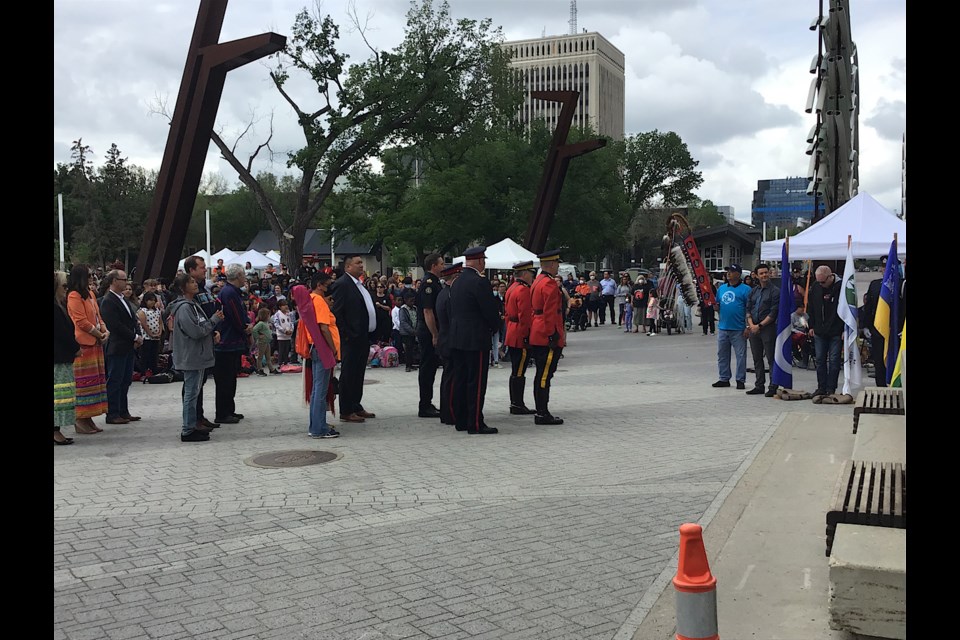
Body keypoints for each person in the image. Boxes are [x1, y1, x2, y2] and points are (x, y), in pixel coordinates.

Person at [449, 246, 501, 434]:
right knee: (476, 381)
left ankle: (461, 420)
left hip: (457, 336)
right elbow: (489, 311)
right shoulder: (479, 282)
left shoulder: (456, 281)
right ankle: (475, 423)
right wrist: (494, 328)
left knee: (461, 379)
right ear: (480, 261)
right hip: (475, 337)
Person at [167, 273, 224, 442]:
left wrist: (210, 329)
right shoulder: (185, 307)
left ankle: (191, 426)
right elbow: (195, 331)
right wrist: (213, 321)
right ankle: (187, 429)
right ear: (183, 288)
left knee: (194, 391)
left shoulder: (192, 305)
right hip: (192, 355)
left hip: (196, 354)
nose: (195, 284)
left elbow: (200, 327)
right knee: (191, 393)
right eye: (191, 282)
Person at [329, 254, 377, 424]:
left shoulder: (359, 285)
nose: (361, 265)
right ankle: (346, 409)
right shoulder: (342, 284)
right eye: (358, 263)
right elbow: (337, 312)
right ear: (348, 267)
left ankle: (356, 405)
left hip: (363, 336)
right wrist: (347, 333)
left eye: (362, 263)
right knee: (349, 374)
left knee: (358, 373)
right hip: (351, 338)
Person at [292, 275, 340, 439]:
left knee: (316, 389)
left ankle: (316, 425)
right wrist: (333, 348)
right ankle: (319, 428)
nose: (329, 289)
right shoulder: (318, 301)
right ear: (319, 286)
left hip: (315, 348)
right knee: (320, 389)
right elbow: (324, 327)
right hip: (322, 348)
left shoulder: (310, 300)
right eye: (327, 286)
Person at [66, 266, 108, 433]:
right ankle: (80, 418)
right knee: (84, 384)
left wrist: (105, 331)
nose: (92, 278)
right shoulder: (74, 296)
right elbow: (81, 321)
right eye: (89, 275)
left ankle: (88, 417)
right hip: (84, 344)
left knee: (94, 382)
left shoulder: (90, 294)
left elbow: (98, 316)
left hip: (95, 343)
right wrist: (98, 334)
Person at [100, 270, 142, 424]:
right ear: (113, 281)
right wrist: (134, 336)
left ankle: (123, 411)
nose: (126, 282)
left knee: (125, 380)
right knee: (115, 380)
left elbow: (132, 320)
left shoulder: (122, 299)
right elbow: (115, 325)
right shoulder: (108, 300)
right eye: (123, 279)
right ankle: (112, 413)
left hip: (128, 346)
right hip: (117, 346)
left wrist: (137, 335)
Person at [183, 255, 220, 431]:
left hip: (207, 337)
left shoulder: (203, 289)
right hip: (194, 344)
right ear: (191, 270)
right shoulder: (188, 296)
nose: (205, 269)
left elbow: (209, 311)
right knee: (192, 385)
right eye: (202, 267)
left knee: (201, 381)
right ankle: (191, 421)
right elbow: (195, 320)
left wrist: (214, 329)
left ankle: (199, 415)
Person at [529, 250, 565, 425]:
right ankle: (542, 412)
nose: (558, 266)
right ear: (551, 264)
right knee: (545, 375)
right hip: (546, 332)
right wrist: (553, 335)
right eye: (557, 263)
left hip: (537, 329)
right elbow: (550, 312)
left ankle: (541, 409)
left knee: (541, 374)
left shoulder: (538, 281)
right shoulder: (549, 284)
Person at [213, 264, 252, 424]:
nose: (245, 278)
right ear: (237, 277)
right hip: (227, 342)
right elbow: (236, 315)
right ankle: (223, 412)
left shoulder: (231, 292)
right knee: (225, 379)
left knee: (231, 378)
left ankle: (229, 409)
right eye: (243, 275)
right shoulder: (229, 293)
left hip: (231, 341)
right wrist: (245, 327)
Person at [503, 260, 537, 415]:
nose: (532, 277)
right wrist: (527, 336)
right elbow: (525, 317)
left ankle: (515, 402)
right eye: (531, 274)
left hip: (512, 330)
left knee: (516, 369)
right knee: (519, 370)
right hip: (520, 333)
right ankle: (517, 403)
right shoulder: (523, 290)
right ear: (524, 274)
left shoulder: (512, 288)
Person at [712, 264, 751, 390]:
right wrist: (716, 308)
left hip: (739, 328)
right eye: (727, 271)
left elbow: (749, 309)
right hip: (723, 327)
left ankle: (740, 379)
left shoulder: (746, 290)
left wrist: (747, 326)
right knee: (722, 354)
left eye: (731, 271)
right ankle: (724, 378)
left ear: (738, 274)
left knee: (740, 355)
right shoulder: (721, 289)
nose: (728, 273)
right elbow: (719, 305)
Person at [807, 265, 844, 399]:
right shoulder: (816, 287)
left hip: (835, 331)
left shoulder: (841, 287)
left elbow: (847, 309)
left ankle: (831, 388)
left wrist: (845, 329)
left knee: (834, 361)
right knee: (820, 360)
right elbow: (811, 308)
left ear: (831, 276)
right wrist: (811, 326)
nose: (821, 285)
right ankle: (821, 387)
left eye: (823, 282)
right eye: (818, 282)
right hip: (819, 331)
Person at [744, 263, 781, 397]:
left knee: (771, 358)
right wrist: (751, 325)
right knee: (757, 358)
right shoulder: (753, 291)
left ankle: (773, 385)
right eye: (762, 273)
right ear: (756, 275)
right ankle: (759, 385)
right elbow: (748, 309)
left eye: (766, 272)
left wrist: (759, 326)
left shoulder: (775, 291)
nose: (764, 275)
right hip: (753, 328)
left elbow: (773, 312)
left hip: (768, 328)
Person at [416, 253, 444, 418]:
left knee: (431, 367)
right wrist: (434, 334)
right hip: (427, 330)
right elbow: (428, 311)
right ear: (433, 265)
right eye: (441, 264)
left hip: (431, 329)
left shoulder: (434, 282)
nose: (443, 266)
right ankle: (424, 405)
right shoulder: (428, 284)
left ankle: (428, 402)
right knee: (427, 368)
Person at [54, 271, 80, 445]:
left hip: (62, 356)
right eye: (64, 286)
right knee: (58, 395)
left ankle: (57, 429)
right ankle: (55, 430)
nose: (66, 289)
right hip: (58, 357)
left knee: (62, 394)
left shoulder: (58, 305)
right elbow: (62, 333)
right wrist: (75, 347)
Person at [435, 263, 462, 425]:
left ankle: (447, 412)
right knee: (451, 379)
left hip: (446, 339)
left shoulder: (444, 293)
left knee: (448, 378)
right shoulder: (450, 295)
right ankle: (450, 412)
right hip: (450, 340)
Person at [136, 292, 163, 376]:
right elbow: (144, 324)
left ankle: (154, 369)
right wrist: (150, 334)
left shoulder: (157, 310)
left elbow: (160, 322)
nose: (152, 302)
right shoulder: (142, 311)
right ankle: (144, 371)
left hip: (156, 337)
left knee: (154, 354)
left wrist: (160, 332)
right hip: (146, 337)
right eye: (150, 300)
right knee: (145, 354)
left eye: (153, 300)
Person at [252, 307, 279, 376]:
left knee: (268, 357)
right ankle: (259, 369)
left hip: (267, 342)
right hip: (262, 342)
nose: (269, 317)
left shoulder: (266, 323)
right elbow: (254, 330)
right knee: (260, 356)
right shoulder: (261, 323)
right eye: (268, 315)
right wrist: (258, 336)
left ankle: (271, 369)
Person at [398, 290, 419, 373]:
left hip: (414, 331)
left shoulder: (415, 308)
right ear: (406, 301)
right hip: (406, 333)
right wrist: (411, 330)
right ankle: (408, 365)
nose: (412, 302)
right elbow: (403, 322)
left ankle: (412, 363)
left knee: (413, 348)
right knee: (408, 349)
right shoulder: (403, 309)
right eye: (411, 301)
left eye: (413, 300)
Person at [272, 299, 295, 367]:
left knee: (287, 349)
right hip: (281, 335)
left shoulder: (289, 314)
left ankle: (286, 362)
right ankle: (280, 363)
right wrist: (284, 331)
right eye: (284, 305)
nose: (286, 307)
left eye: (286, 305)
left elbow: (291, 322)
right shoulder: (277, 314)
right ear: (280, 306)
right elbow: (276, 324)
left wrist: (291, 330)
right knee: (281, 349)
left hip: (288, 335)